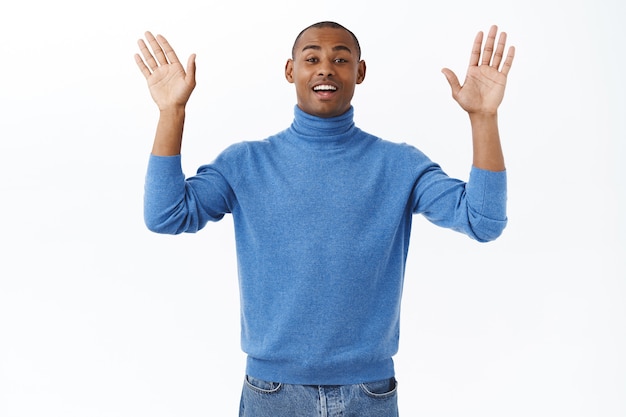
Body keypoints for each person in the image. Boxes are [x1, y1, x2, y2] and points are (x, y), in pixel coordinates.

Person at [135, 21, 515, 417]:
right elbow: (165, 214)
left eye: (340, 59)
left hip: (368, 393)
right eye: (312, 58)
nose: (325, 69)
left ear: (360, 72)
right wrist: (171, 111)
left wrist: (483, 117)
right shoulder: (246, 163)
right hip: (273, 392)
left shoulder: (398, 165)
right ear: (289, 70)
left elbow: (483, 220)